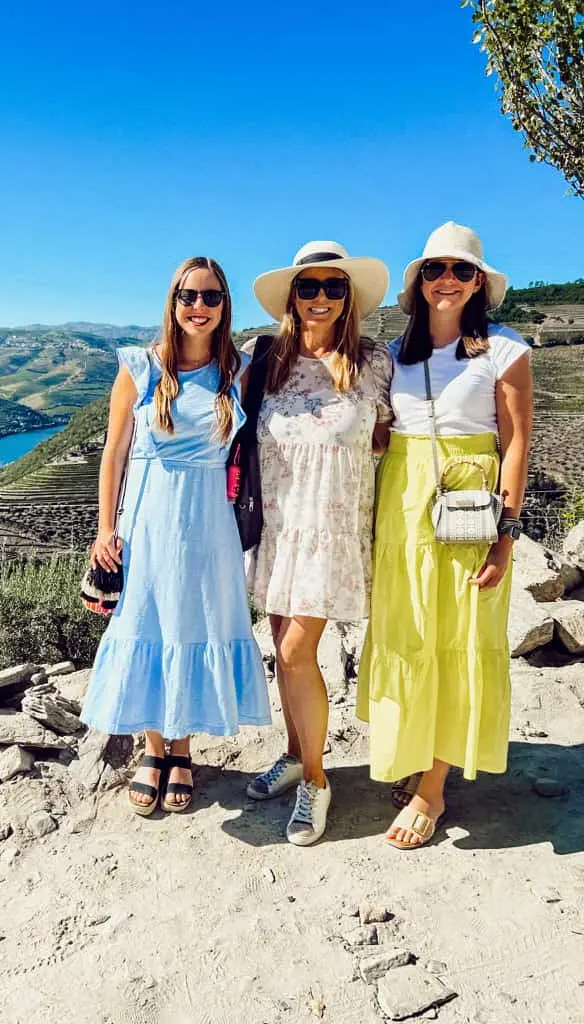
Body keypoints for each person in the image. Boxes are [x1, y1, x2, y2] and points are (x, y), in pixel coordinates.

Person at [357, 221, 533, 850]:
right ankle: (414, 748)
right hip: (401, 502)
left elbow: (514, 446)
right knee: (408, 630)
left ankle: (434, 781)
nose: (448, 281)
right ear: (419, 282)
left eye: (461, 270)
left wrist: (506, 535)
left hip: (469, 501)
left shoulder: (507, 350)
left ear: (479, 282)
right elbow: (384, 433)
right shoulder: (393, 357)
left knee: (457, 632)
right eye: (435, 270)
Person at [81, 256, 271, 816]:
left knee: (196, 622)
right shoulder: (140, 366)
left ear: (225, 306)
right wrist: (104, 528)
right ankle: (153, 748)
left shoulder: (236, 369)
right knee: (148, 620)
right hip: (148, 516)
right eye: (189, 296)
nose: (199, 307)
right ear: (172, 301)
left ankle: (183, 748)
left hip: (209, 520)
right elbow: (113, 453)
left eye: (211, 298)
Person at [243, 241, 392, 845]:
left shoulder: (375, 360)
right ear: (292, 297)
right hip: (278, 529)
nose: (323, 297)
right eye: (311, 287)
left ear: (348, 297)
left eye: (335, 287)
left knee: (299, 653)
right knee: (283, 651)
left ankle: (317, 781)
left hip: (332, 532)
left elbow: (390, 438)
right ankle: (292, 750)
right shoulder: (266, 361)